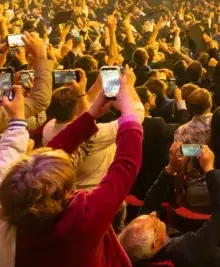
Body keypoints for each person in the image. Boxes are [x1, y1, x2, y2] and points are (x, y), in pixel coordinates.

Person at [0, 68, 144, 267]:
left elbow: (49, 154)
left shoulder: (12, 212)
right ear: (64, 191)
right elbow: (125, 166)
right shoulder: (83, 219)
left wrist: (91, 114)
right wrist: (129, 112)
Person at [119, 142, 220, 267]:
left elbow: (150, 205)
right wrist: (209, 169)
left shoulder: (141, 247)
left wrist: (171, 169)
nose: (152, 214)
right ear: (157, 242)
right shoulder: (188, 248)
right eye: (154, 222)